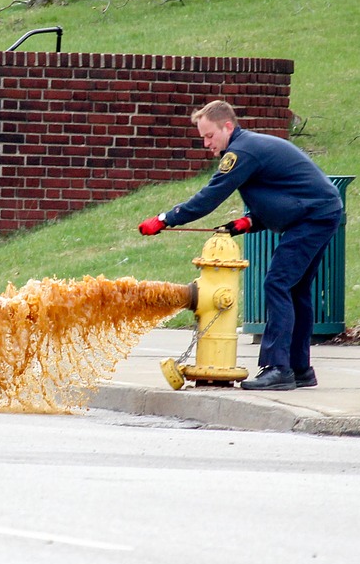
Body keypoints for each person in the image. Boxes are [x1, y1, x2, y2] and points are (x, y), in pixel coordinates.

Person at [138, 100, 344, 391]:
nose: (207, 143)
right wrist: (248, 222)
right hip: (320, 211)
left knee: (278, 284)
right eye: (203, 138)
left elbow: (209, 197)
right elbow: (283, 192)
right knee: (295, 289)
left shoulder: (239, 152)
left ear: (228, 126)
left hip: (311, 217)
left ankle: (278, 369)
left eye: (210, 136)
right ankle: (300, 370)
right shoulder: (250, 147)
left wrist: (165, 219)